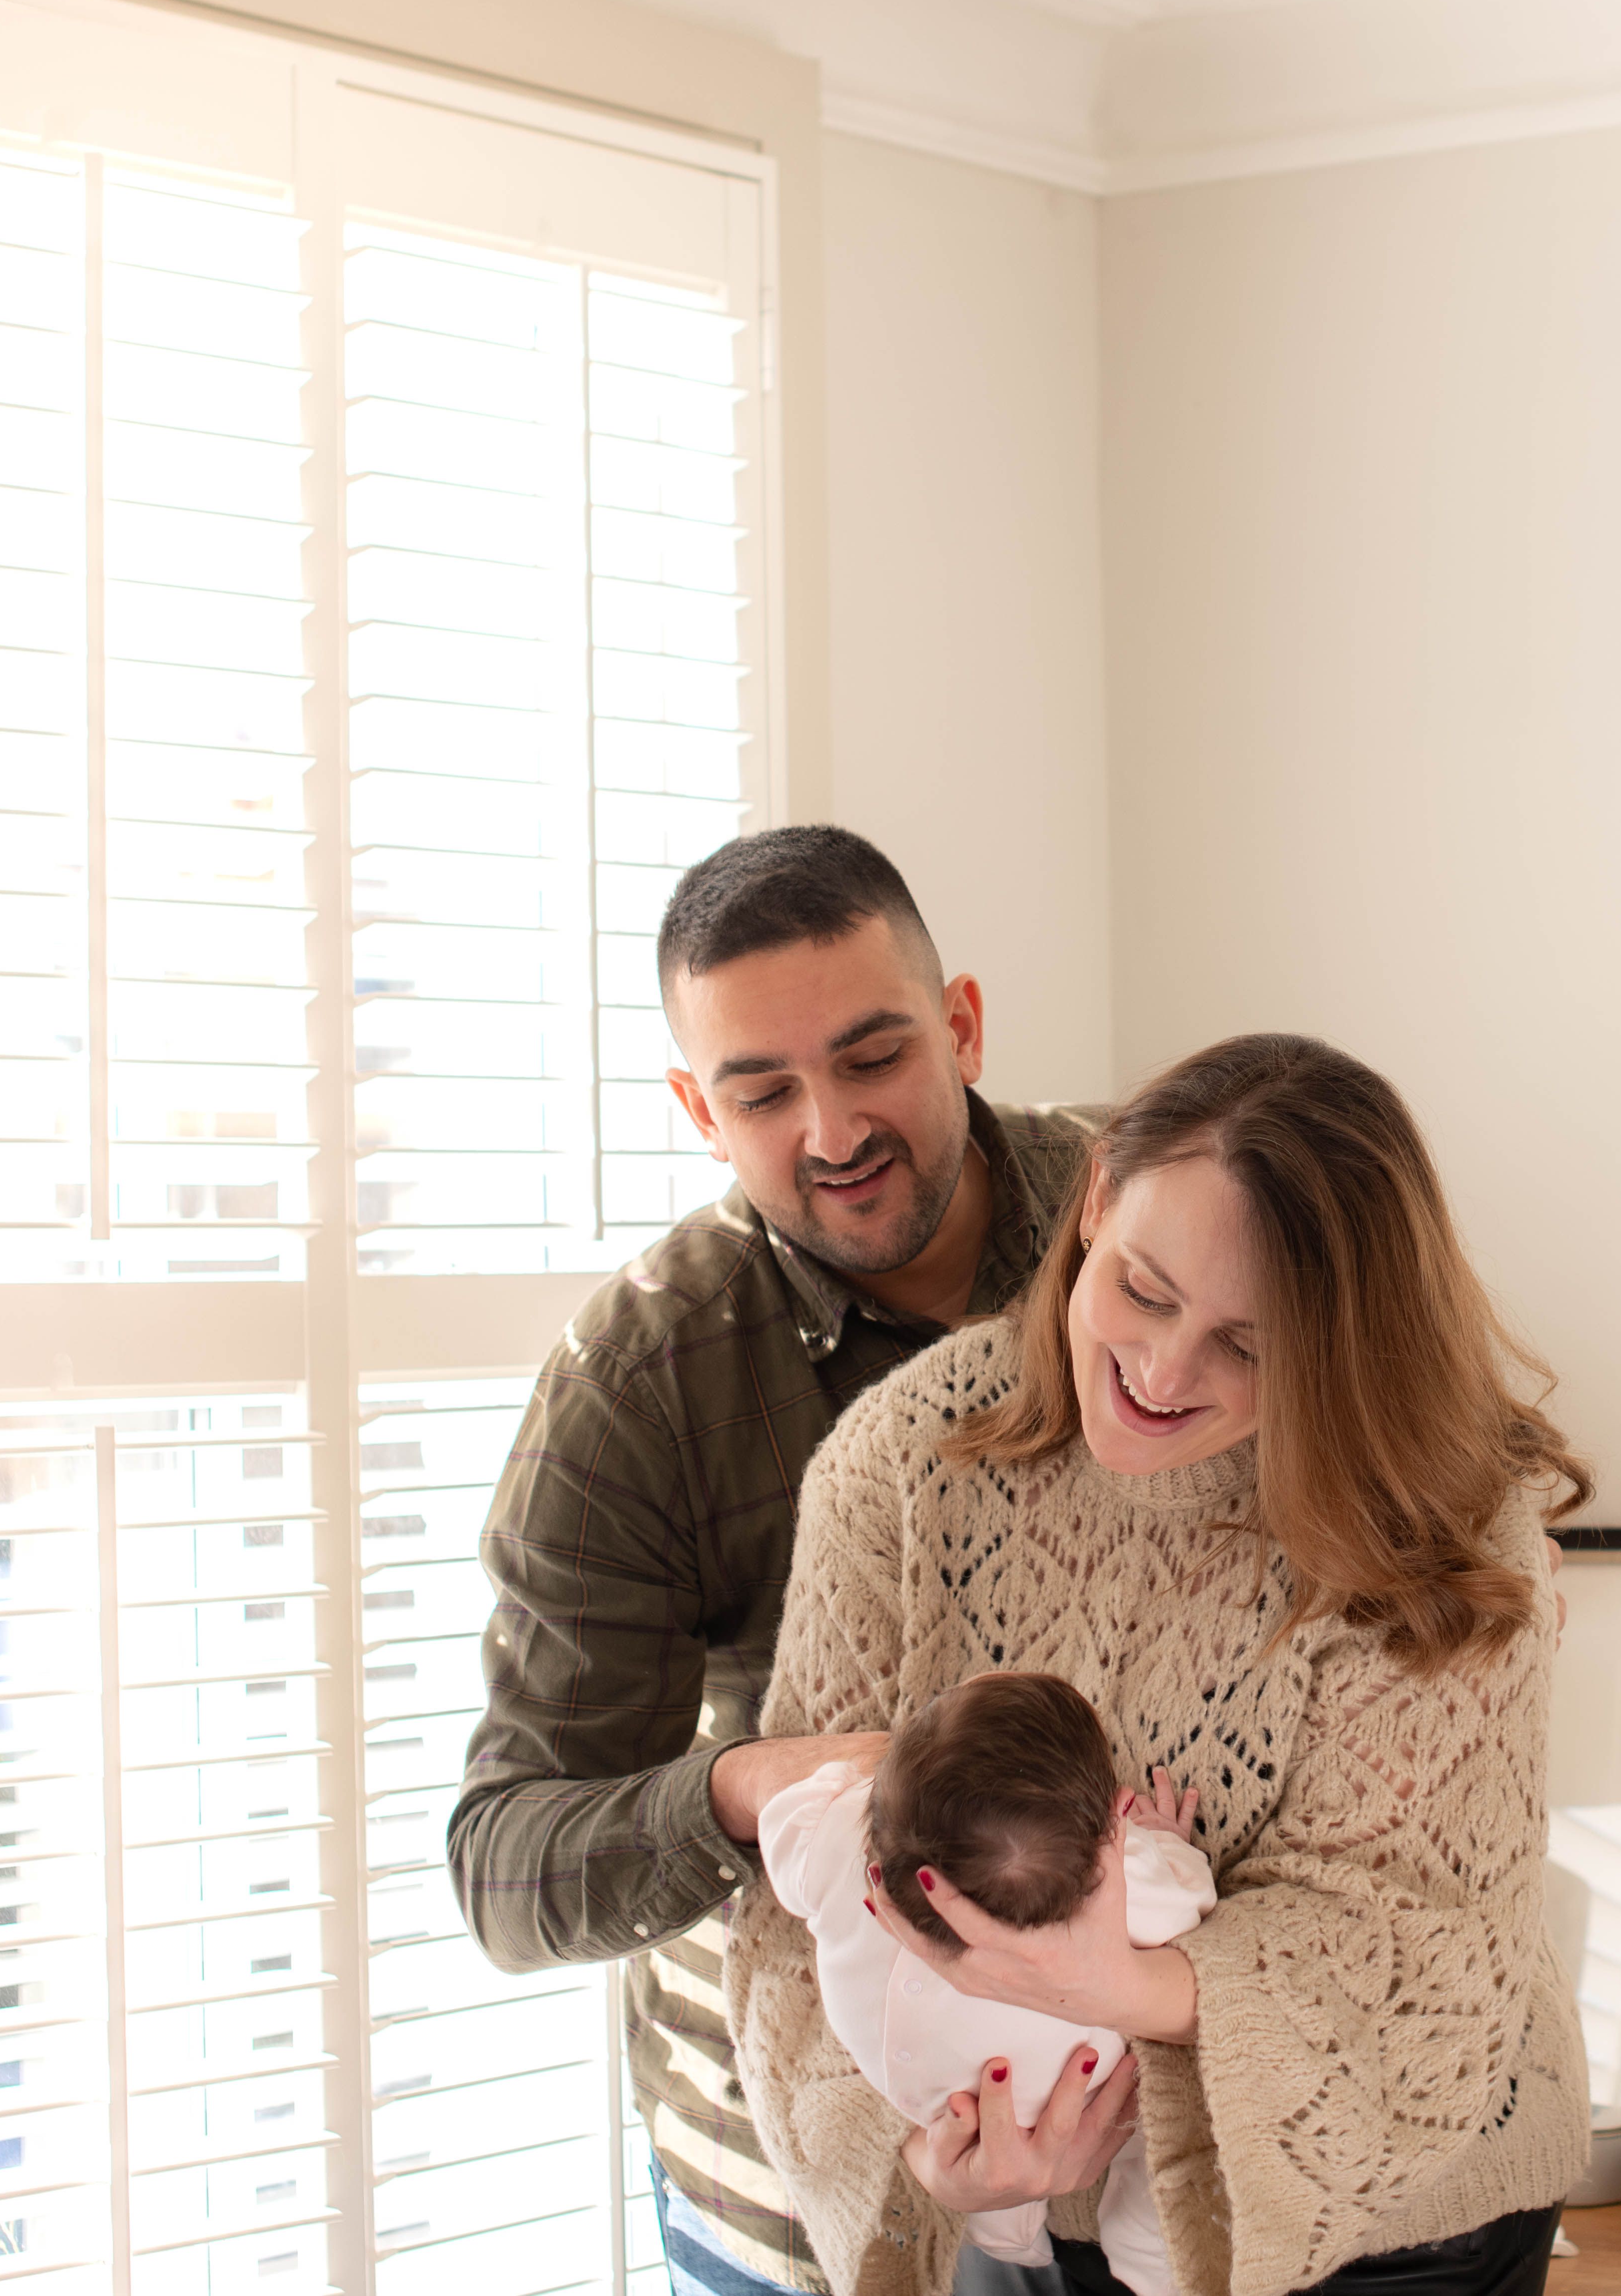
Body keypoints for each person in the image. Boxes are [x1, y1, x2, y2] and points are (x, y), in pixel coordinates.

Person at [729, 1033, 1594, 2296]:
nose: (1162, 1370)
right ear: (1092, 1201)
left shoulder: (1436, 1524)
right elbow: (796, 1900)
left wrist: (1128, 1980)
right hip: (1015, 2209)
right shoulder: (907, 1463)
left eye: (1250, 1344)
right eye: (1140, 1288)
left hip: (1395, 2229)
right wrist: (931, 2156)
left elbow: (1423, 1938)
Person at [449, 825, 1103, 2296]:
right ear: (698, 1106)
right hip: (807, 2215)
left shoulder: (1143, 1222)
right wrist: (748, 1790)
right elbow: (504, 1866)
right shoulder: (643, 1376)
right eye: (762, 1091)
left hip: (1147, 2156)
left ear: (964, 1026)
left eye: (874, 1059)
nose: (831, 1129)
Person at [756, 1672, 1214, 2296]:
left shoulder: (837, 1831)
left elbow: (783, 1826)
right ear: (1109, 1829)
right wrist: (1162, 1842)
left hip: (904, 2084)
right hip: (1050, 2088)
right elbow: (1193, 1901)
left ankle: (1003, 2226)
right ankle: (1146, 2257)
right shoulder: (1127, 1882)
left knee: (978, 2102)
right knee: (1161, 2088)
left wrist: (843, 1781)